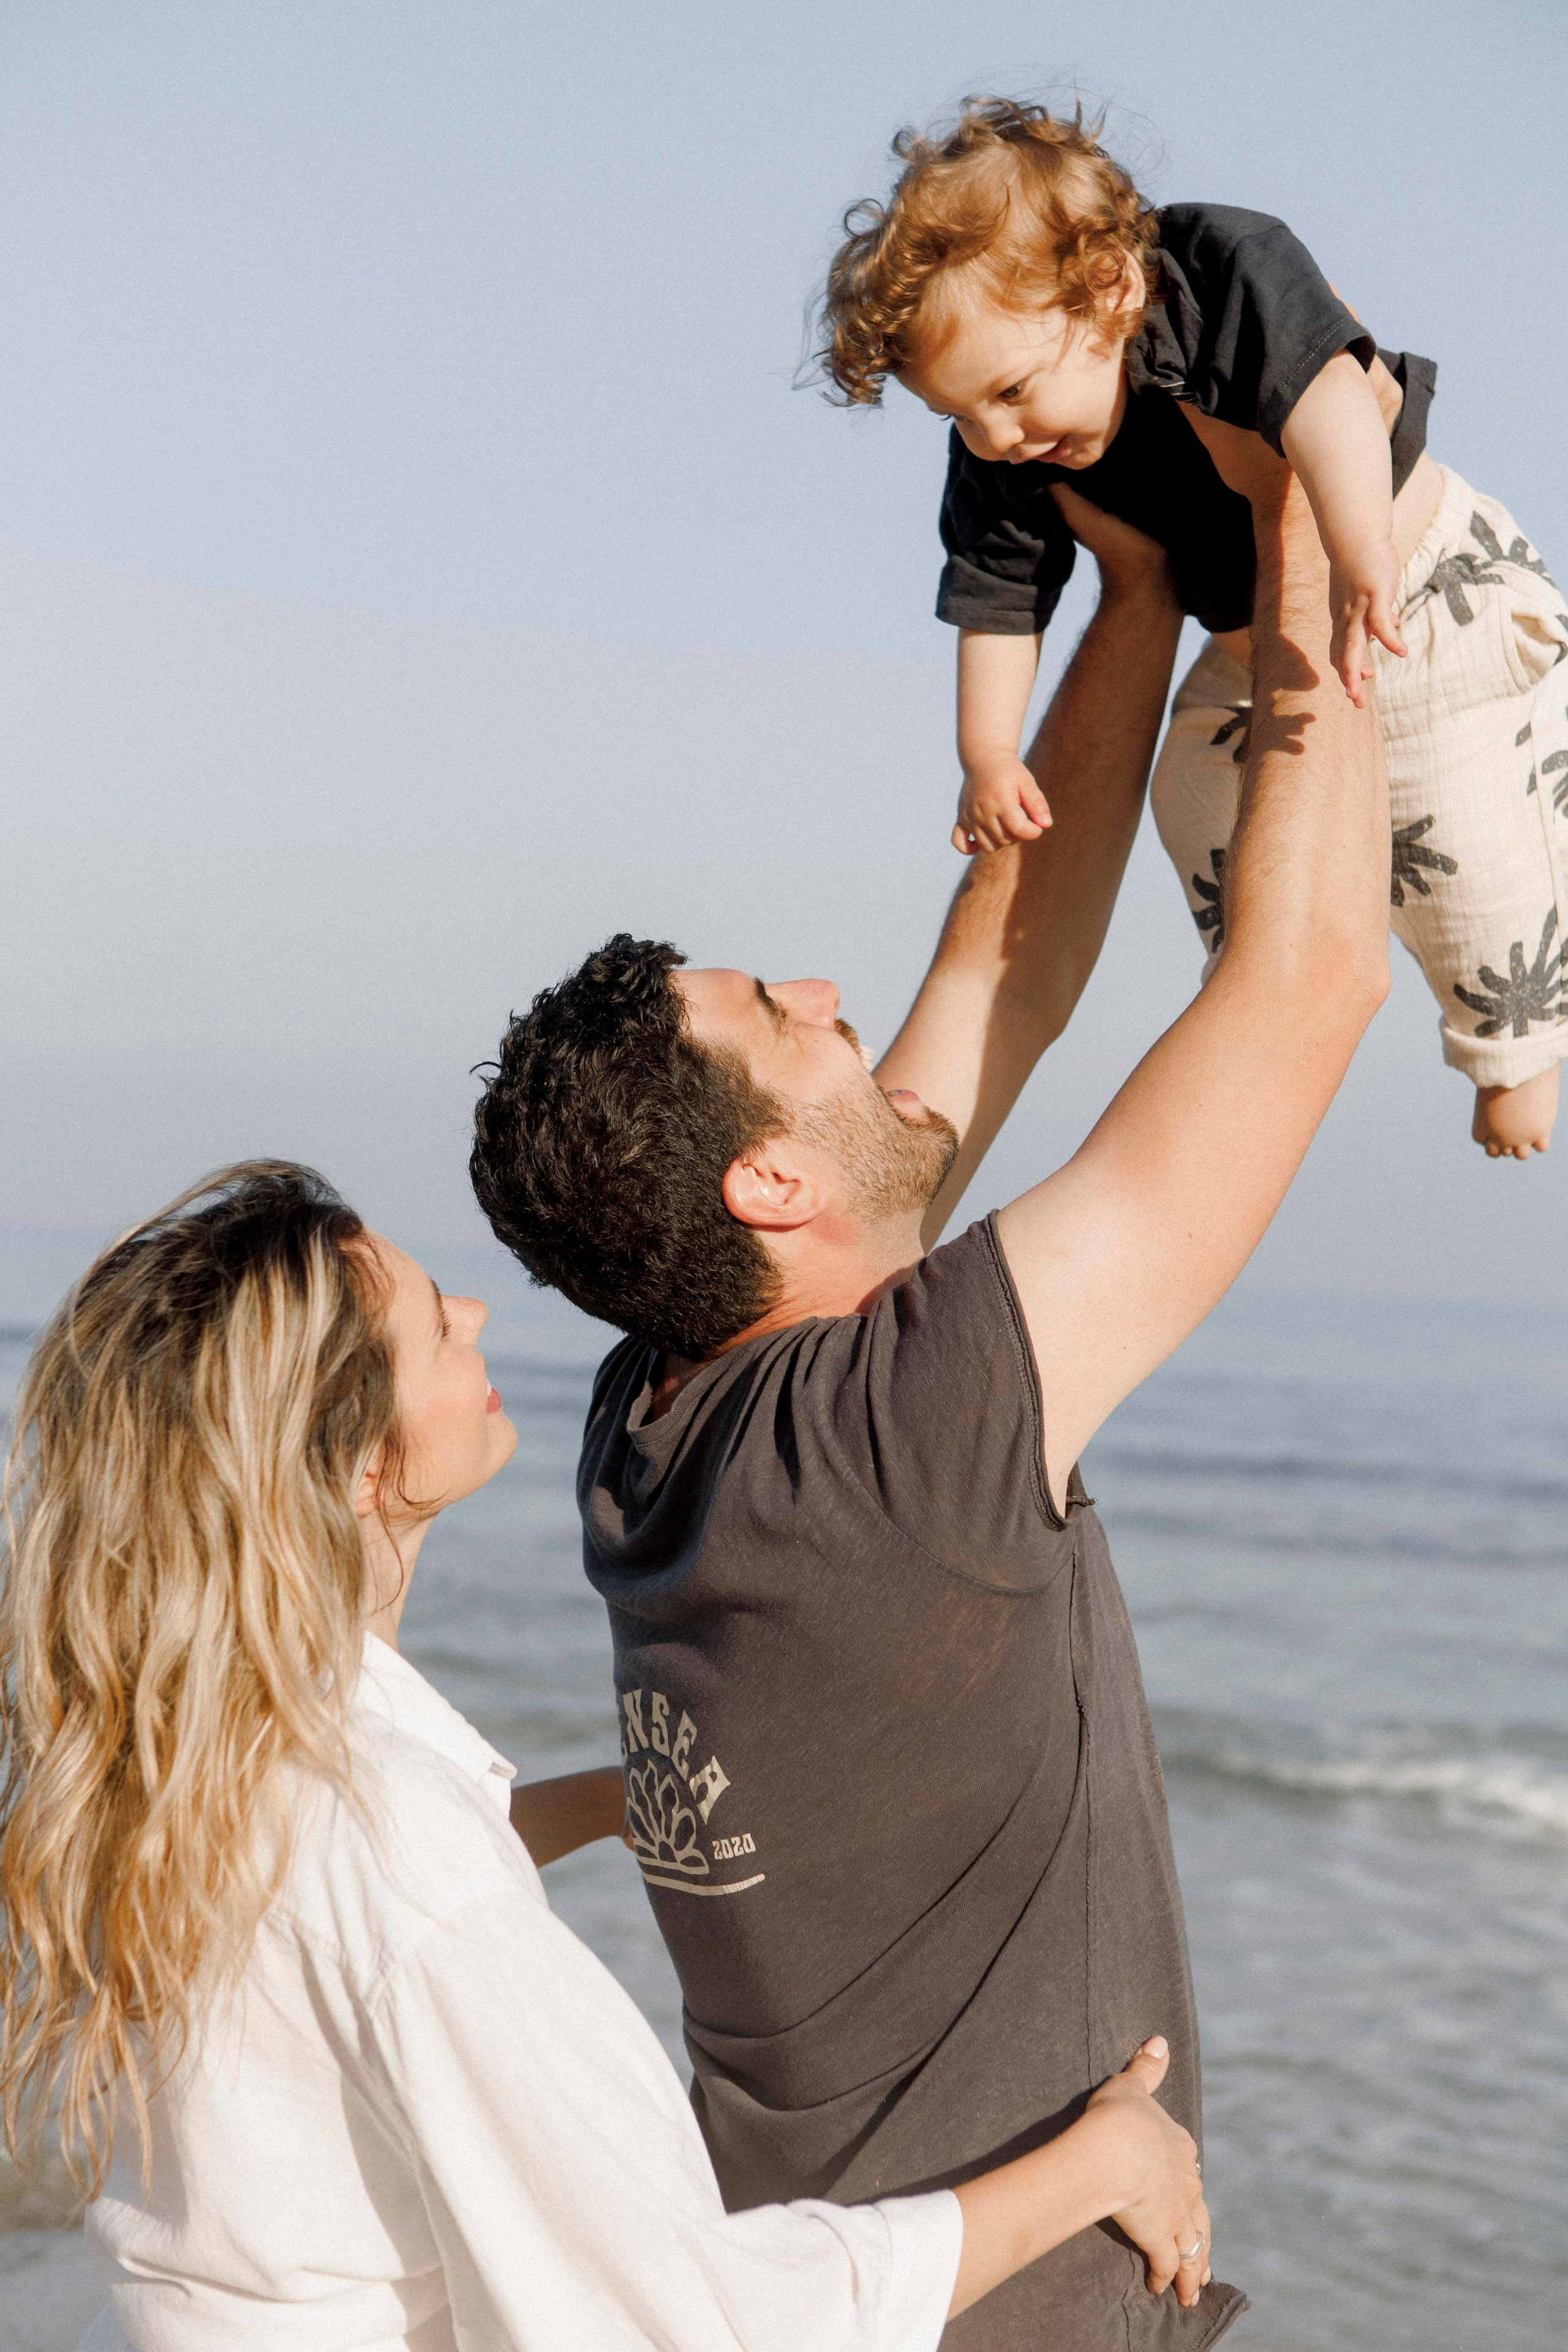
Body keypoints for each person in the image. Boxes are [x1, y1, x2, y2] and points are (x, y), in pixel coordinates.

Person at [470, 447, 1389, 2346]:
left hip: (832, 2297)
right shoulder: (895, 1440)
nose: (832, 993)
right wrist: (1304, 516)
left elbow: (1008, 961)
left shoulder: (656, 1421)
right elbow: (1307, 984)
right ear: (765, 1188)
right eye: (782, 1017)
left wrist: (1137, 591)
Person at [0, 1161, 1209, 2352]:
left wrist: (602, 1803)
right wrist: (1100, 2165)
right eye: (434, 1326)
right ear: (360, 1469)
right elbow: (695, 2320)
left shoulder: (187, 1760)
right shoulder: (399, 1852)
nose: (475, 1313)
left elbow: (327, 1937)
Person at [816, 96, 1567, 1161]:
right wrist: (987, 755)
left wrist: (1360, 549)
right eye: (960, 416)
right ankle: (1267, 977)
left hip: (1422, 593)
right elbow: (995, 596)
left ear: (1110, 288)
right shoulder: (1007, 443)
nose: (996, 437)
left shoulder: (1216, 272)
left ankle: (1516, 1047)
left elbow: (1335, 400)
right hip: (1253, 650)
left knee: (1470, 826)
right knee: (1193, 791)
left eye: (1011, 392)